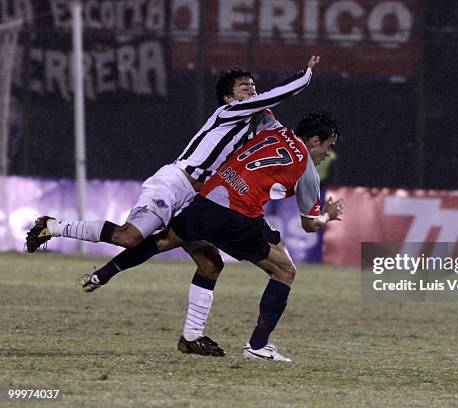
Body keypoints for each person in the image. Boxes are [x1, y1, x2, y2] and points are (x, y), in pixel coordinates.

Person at [25, 55, 320, 291]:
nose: (253, 91)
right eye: (245, 87)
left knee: (210, 264)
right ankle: (53, 226)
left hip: (198, 197)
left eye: (253, 86)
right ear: (229, 99)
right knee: (130, 237)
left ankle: (191, 337)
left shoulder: (253, 129)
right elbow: (273, 99)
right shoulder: (229, 114)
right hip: (176, 183)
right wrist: (304, 76)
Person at [82, 112, 343, 361]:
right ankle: (258, 346)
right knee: (285, 271)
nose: (328, 153)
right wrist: (328, 215)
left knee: (165, 241)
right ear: (314, 141)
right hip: (237, 216)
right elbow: (309, 225)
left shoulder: (274, 128)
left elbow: (260, 109)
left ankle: (102, 274)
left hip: (207, 199)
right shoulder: (306, 169)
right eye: (328, 145)